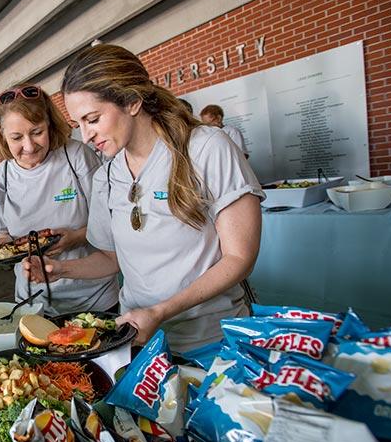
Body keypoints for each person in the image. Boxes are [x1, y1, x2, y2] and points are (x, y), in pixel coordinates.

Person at [24, 44, 263, 353]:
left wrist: (161, 310)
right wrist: (59, 270)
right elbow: (112, 259)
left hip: (209, 340)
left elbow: (239, 258)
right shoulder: (106, 176)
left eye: (93, 119)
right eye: (79, 123)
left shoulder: (206, 148)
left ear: (132, 102)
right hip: (138, 340)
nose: (85, 136)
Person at [0, 84, 120, 317]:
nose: (29, 146)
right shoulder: (3, 175)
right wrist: (3, 243)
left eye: (37, 132)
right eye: (17, 137)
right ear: (2, 135)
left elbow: (112, 223)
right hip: (32, 301)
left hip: (92, 297)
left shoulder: (76, 156)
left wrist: (76, 237)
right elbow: (2, 232)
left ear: (49, 124)